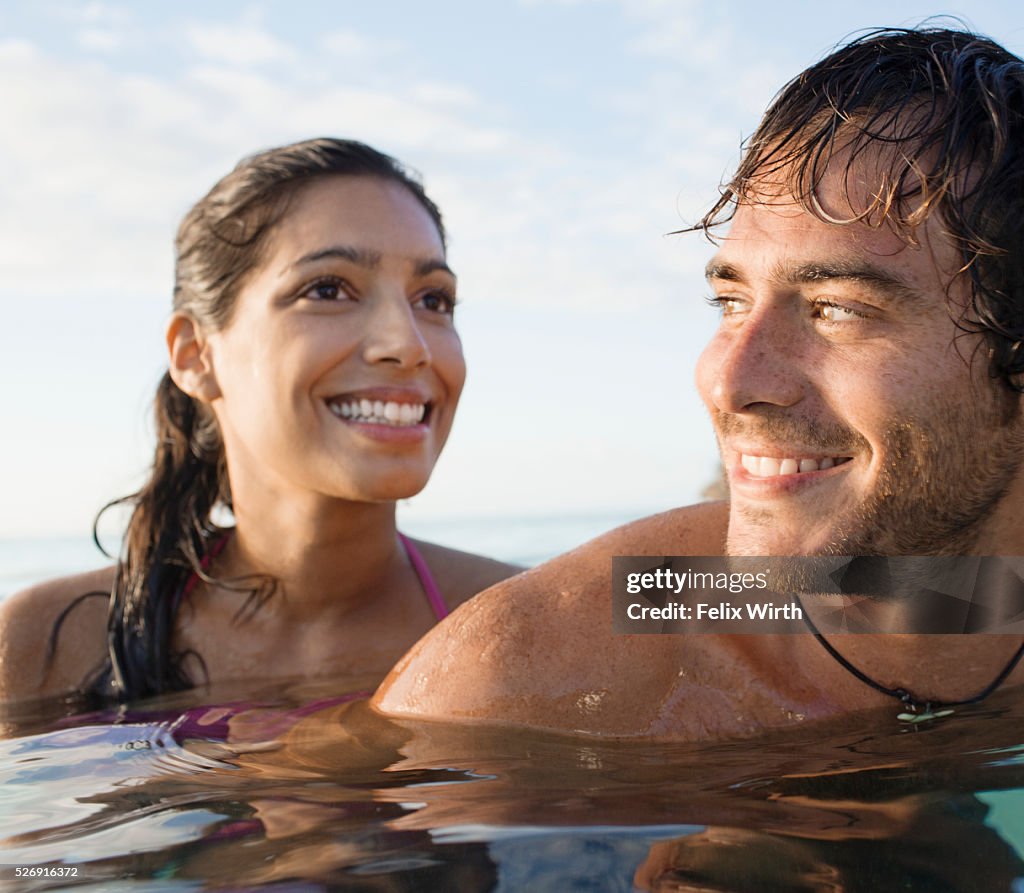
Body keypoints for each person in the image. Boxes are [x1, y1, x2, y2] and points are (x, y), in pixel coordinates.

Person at [373, 26, 1024, 739]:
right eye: (731, 300)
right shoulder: (523, 679)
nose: (728, 379)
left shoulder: (973, 595)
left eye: (835, 307)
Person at [0, 138, 517, 705]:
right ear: (196, 354)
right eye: (327, 289)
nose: (407, 343)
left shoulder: (536, 619)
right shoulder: (42, 644)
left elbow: (634, 589)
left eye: (434, 300)